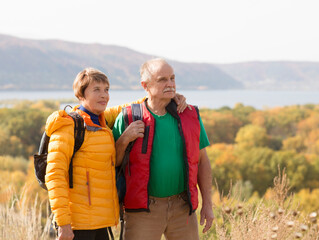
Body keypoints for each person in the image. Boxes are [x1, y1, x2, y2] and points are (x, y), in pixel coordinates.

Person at [45, 67, 188, 240]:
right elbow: (55, 176)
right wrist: (63, 224)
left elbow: (132, 106)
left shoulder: (102, 120)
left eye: (106, 90)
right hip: (77, 225)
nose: (104, 95)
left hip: (101, 222)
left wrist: (165, 95)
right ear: (81, 95)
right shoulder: (68, 127)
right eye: (96, 90)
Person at [112, 58, 214, 240]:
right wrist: (125, 138)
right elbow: (113, 161)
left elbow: (203, 161)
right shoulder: (128, 116)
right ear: (145, 85)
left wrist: (208, 203)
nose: (170, 84)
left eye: (172, 78)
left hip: (183, 208)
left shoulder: (189, 115)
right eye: (162, 80)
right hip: (142, 210)